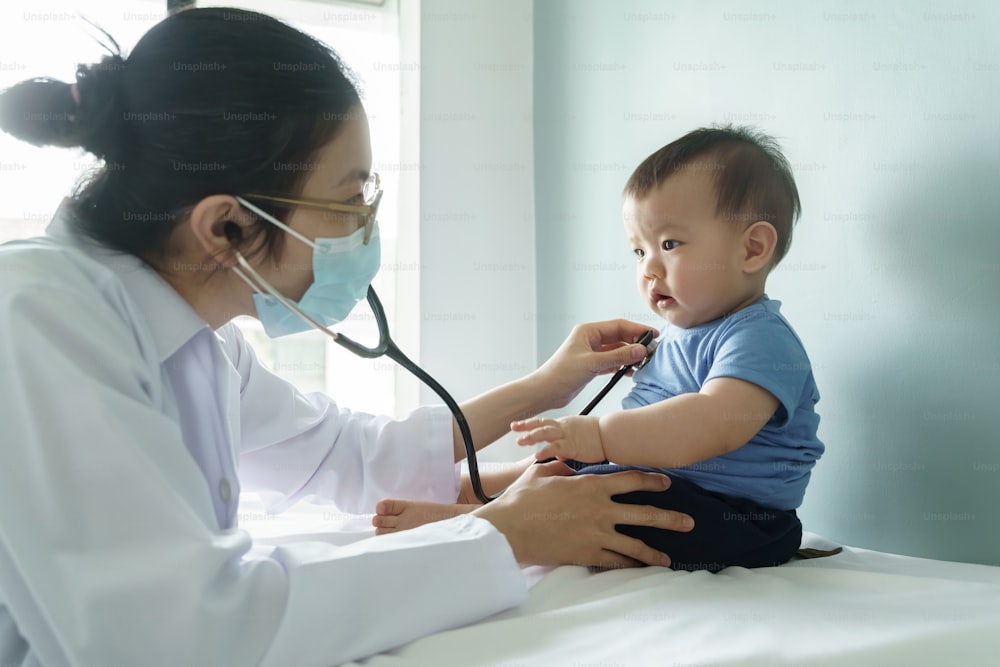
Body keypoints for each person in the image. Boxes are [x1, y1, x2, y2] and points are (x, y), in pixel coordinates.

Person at [0, 8, 695, 667]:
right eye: (349, 198)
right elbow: (175, 633)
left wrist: (550, 382)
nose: (365, 225)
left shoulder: (201, 344)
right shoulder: (37, 317)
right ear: (225, 228)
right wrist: (503, 535)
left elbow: (353, 456)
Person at [375, 126, 824, 573]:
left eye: (669, 244)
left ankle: (472, 521)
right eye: (638, 250)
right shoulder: (676, 336)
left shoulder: (759, 337)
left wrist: (601, 437)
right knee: (573, 463)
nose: (649, 268)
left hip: (737, 517)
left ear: (752, 248)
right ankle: (484, 487)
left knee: (607, 490)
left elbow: (711, 424)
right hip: (666, 483)